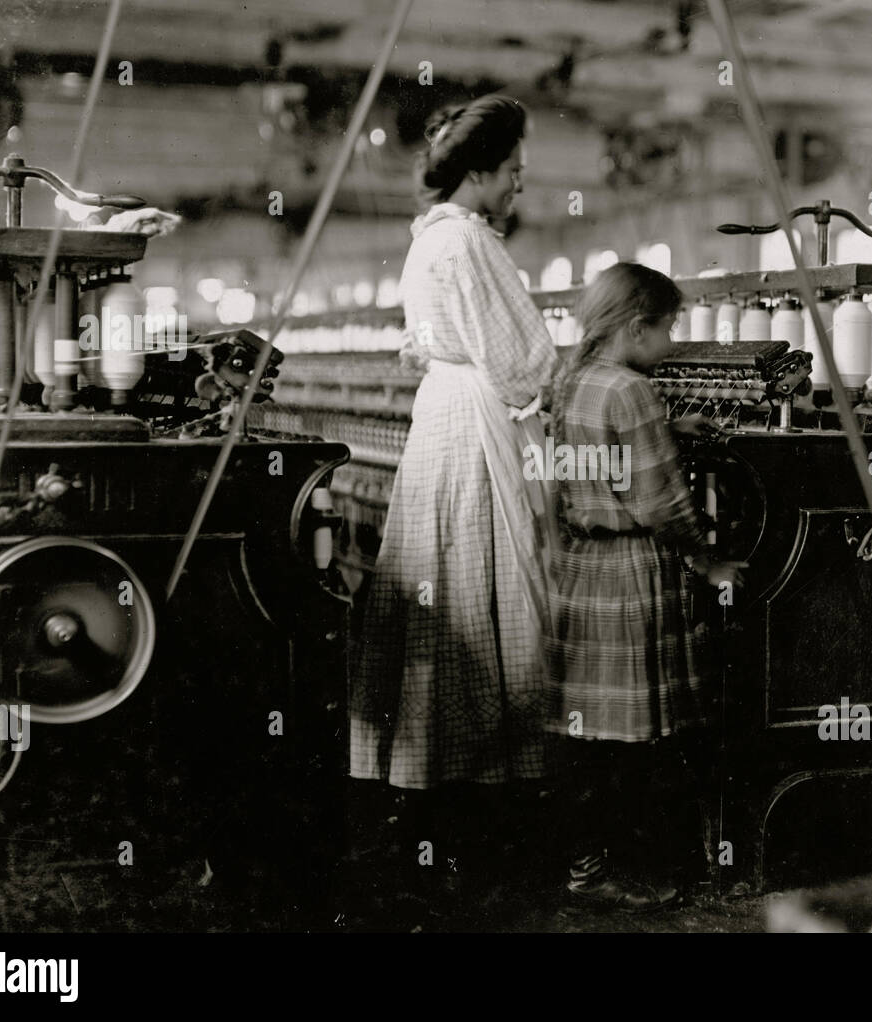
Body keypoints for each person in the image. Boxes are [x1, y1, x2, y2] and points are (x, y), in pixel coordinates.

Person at [349, 96, 558, 811]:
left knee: (445, 573)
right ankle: (487, 771)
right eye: (511, 171)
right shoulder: (470, 241)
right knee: (493, 582)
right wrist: (544, 436)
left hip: (441, 411)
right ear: (478, 171)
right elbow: (519, 356)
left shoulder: (427, 239)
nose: (518, 185)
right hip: (477, 417)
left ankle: (432, 762)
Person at [547, 261, 746, 912]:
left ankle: (584, 867)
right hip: (631, 573)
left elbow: (585, 463)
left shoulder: (571, 378)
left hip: (580, 570)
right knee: (639, 738)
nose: (672, 343)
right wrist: (709, 564)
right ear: (637, 328)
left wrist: (667, 430)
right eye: (669, 329)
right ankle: (628, 875)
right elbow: (662, 503)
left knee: (590, 733)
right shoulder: (632, 391)